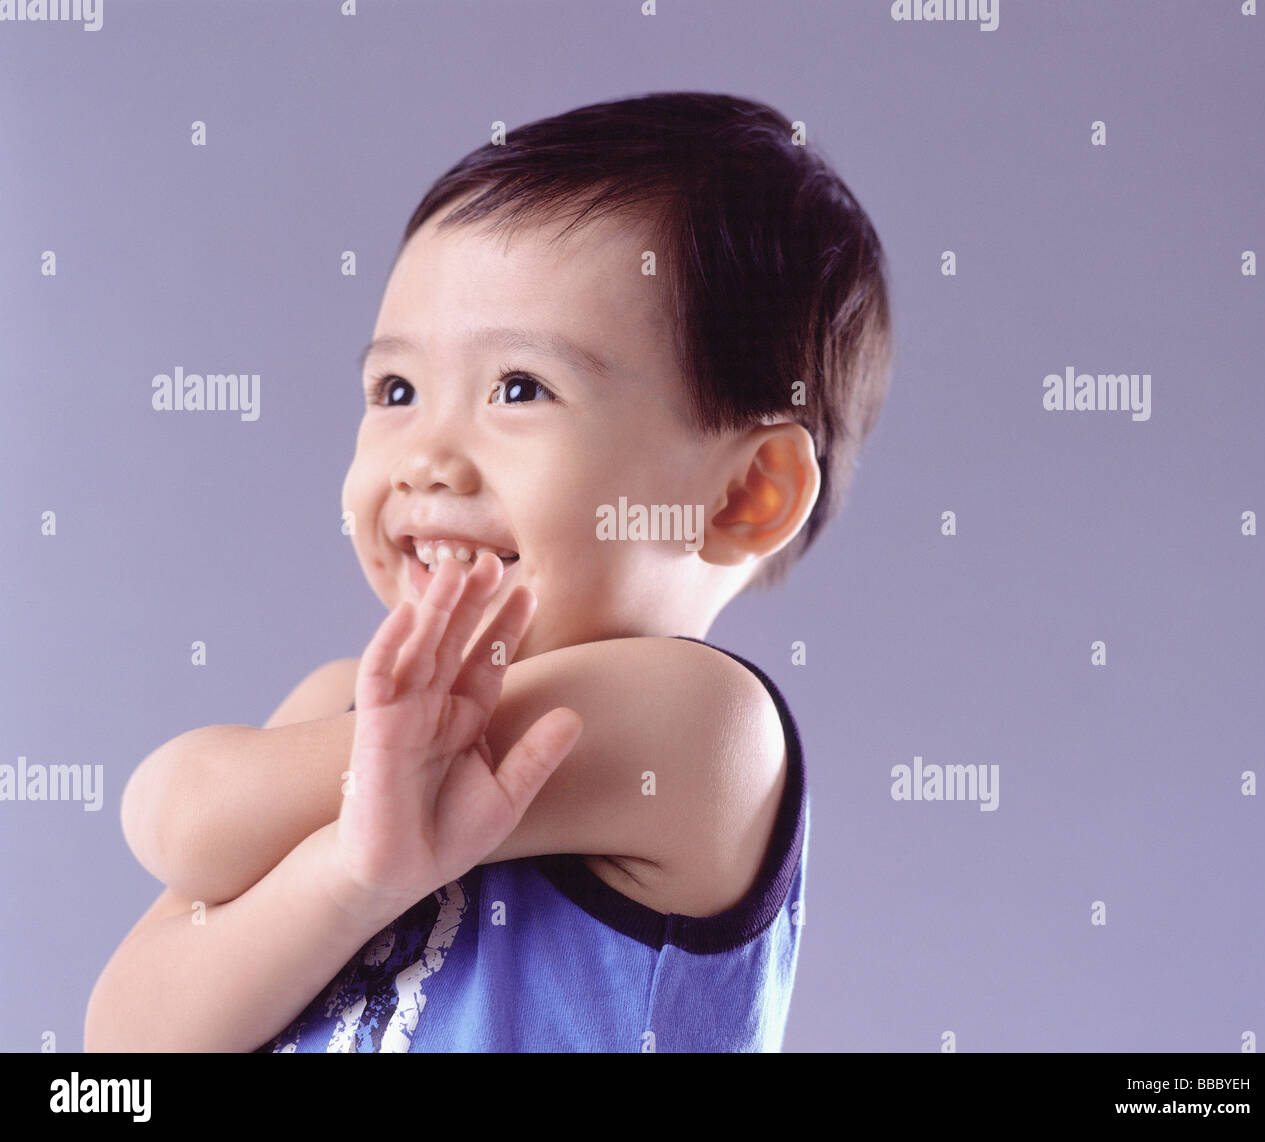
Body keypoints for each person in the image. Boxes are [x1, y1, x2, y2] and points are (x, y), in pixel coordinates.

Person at [84, 90, 893, 1052]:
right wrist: (351, 881)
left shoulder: (697, 728)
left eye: (521, 387)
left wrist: (333, 838)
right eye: (397, 389)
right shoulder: (338, 705)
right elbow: (127, 1048)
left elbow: (186, 816)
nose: (425, 454)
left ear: (744, 494)